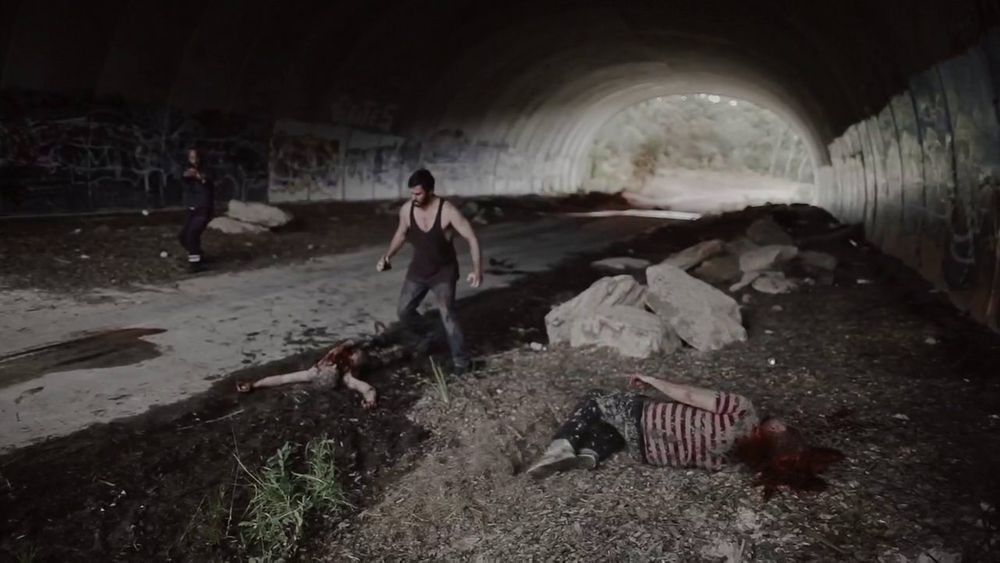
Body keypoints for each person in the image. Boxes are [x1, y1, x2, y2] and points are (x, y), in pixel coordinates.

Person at [526, 374, 844, 499]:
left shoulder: (744, 410)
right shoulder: (739, 462)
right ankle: (592, 453)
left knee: (596, 399)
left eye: (785, 424)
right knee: (615, 426)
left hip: (642, 418)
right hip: (647, 452)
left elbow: (689, 395)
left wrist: (650, 379)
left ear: (775, 430)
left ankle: (560, 449)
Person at [376, 168, 483, 374]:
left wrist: (477, 270)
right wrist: (388, 256)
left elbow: (472, 238)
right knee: (403, 311)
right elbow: (401, 234)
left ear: (431, 191)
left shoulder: (448, 211)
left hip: (443, 272)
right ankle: (432, 334)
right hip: (419, 270)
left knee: (448, 314)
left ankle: (462, 363)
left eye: (418, 193)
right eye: (411, 193)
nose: (414, 198)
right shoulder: (407, 210)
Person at [235, 340, 377, 409]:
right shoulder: (347, 378)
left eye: (328, 366)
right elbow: (367, 388)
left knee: (367, 343)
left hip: (356, 348)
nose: (332, 364)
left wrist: (255, 384)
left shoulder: (314, 371)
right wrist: (370, 401)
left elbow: (282, 379)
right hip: (367, 357)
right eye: (331, 367)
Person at [179, 148, 214, 272]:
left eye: (195, 157)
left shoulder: (207, 170)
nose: (193, 160)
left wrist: (199, 177)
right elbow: (182, 179)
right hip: (191, 207)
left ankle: (195, 264)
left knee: (192, 234)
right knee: (183, 236)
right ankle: (198, 255)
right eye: (191, 157)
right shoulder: (185, 169)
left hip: (203, 208)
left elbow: (209, 182)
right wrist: (186, 175)